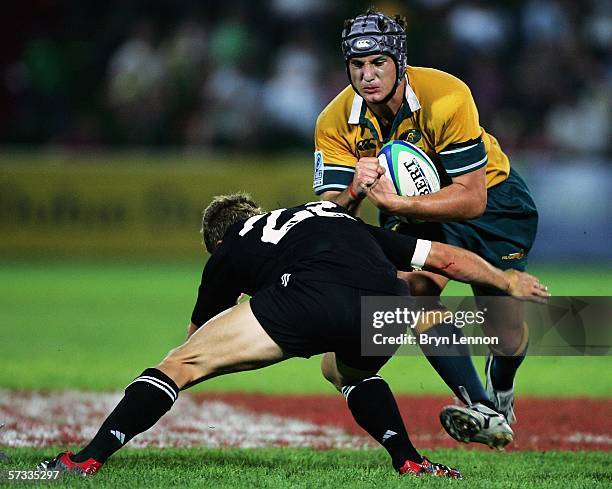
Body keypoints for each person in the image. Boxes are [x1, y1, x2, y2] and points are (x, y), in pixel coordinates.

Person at [38, 195, 548, 478]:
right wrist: (505, 281)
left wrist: (244, 316)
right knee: (343, 371)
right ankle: (410, 460)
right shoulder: (331, 216)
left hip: (302, 299)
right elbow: (444, 259)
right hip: (383, 303)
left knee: (180, 364)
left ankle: (85, 458)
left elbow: (200, 336)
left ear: (217, 239)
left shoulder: (231, 244)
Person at [314, 10, 539, 445]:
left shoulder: (446, 94)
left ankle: (502, 382)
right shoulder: (334, 120)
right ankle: (482, 407)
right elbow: (332, 213)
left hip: (494, 205)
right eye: (357, 66)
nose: (367, 75)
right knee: (415, 287)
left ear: (399, 60)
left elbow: (473, 200)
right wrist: (355, 192)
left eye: (378, 62)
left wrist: (397, 201)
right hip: (410, 213)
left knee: (505, 331)